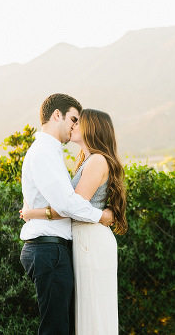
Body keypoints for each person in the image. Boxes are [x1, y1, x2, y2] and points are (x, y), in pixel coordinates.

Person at [20, 108, 128, 334]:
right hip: (83, 237)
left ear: (92, 128)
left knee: (92, 310)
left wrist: (32, 213)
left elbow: (70, 207)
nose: (73, 125)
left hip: (91, 239)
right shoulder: (86, 159)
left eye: (79, 122)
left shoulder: (97, 160)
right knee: (83, 310)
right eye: (73, 121)